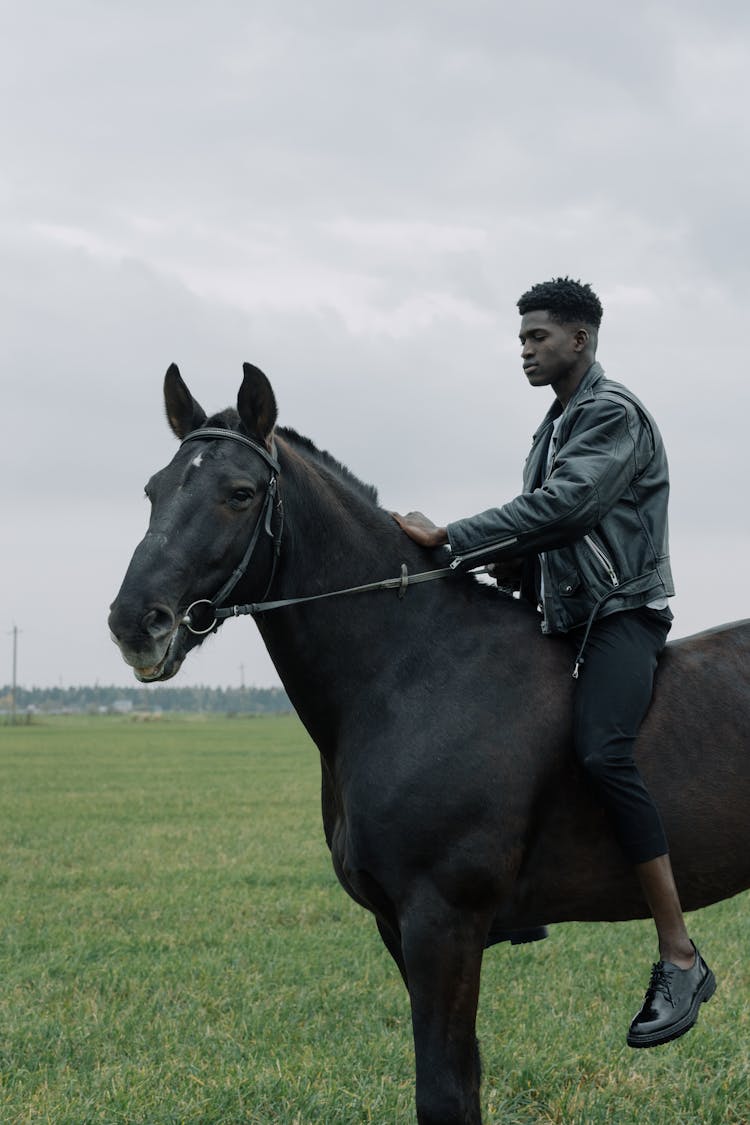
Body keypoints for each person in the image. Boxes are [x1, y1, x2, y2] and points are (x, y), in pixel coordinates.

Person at [393, 277, 715, 1048]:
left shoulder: (610, 415)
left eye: (538, 338)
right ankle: (511, 899)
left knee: (603, 749)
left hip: (621, 618)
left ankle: (679, 954)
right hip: (566, 616)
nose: (526, 351)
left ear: (581, 339)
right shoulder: (555, 424)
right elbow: (552, 542)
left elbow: (566, 508)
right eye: (520, 340)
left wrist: (455, 539)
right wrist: (498, 573)